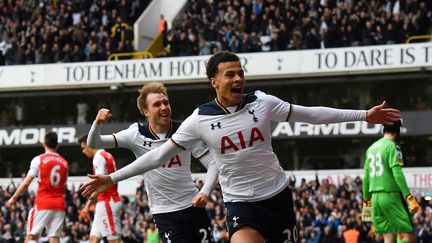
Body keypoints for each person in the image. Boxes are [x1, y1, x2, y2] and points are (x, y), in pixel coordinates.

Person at [81, 51, 401, 243]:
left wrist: (364, 115)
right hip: (239, 205)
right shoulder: (199, 120)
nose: (238, 79)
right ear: (214, 82)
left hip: (277, 196)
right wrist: (113, 178)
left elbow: (311, 114)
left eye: (240, 73)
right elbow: (158, 155)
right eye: (230, 74)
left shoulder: (262, 103)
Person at [85, 82, 218, 242]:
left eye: (166, 102)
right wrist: (98, 123)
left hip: (193, 206)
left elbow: (212, 163)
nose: (164, 107)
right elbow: (94, 143)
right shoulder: (135, 134)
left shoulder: (185, 131)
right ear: (146, 111)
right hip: (165, 213)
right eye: (157, 104)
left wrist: (205, 191)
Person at [361, 120, 420, 243]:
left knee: (388, 236)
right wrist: (409, 197)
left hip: (375, 199)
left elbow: (366, 178)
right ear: (397, 131)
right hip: (391, 196)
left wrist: (367, 203)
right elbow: (397, 173)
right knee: (409, 234)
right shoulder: (393, 146)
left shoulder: (370, 148)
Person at [6, 131, 68, 243]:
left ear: (44, 144)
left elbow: (26, 182)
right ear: (58, 145)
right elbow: (63, 187)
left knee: (32, 236)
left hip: (43, 203)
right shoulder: (64, 163)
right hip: (59, 203)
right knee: (54, 238)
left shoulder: (39, 159)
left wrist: (13, 198)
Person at [78, 134, 122, 243]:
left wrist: (87, 205)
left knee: (114, 240)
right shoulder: (107, 155)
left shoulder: (98, 157)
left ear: (90, 144)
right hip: (106, 201)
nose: (83, 151)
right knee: (93, 238)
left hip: (107, 202)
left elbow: (99, 183)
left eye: (84, 148)